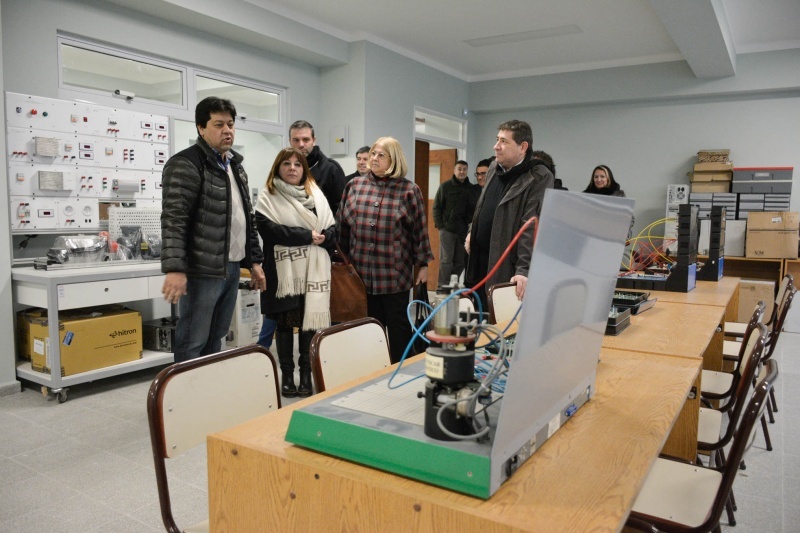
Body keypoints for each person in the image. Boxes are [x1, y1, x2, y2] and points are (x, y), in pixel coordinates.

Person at [161, 96, 266, 362]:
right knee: (193, 338)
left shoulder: (235, 166)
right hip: (202, 269)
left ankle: (206, 393)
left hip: (230, 267)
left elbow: (247, 217)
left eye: (230, 124)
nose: (227, 130)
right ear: (200, 128)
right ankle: (183, 397)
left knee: (216, 336)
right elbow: (174, 219)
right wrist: (175, 268)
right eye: (218, 124)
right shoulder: (186, 163)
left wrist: (254, 261)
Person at [338, 137, 434, 363]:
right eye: (373, 154)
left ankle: (398, 371)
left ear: (394, 159)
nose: (374, 159)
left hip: (394, 275)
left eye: (381, 155)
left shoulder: (409, 190)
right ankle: (370, 370)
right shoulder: (354, 186)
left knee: (398, 330)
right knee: (367, 328)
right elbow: (342, 226)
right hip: (359, 275)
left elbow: (419, 231)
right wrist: (340, 263)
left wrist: (423, 266)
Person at [255, 148, 336, 398]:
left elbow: (332, 227)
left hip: (313, 272)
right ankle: (287, 376)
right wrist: (306, 236)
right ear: (277, 168)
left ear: (304, 169)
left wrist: (325, 238)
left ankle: (306, 376)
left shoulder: (316, 195)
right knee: (285, 325)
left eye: (297, 165)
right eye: (287, 164)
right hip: (284, 275)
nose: (292, 168)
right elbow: (269, 230)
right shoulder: (268, 196)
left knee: (308, 326)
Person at [464, 120, 554, 310]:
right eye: (497, 140)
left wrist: (523, 270)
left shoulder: (538, 176)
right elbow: (482, 206)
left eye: (504, 141)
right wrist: (473, 231)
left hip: (505, 268)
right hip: (478, 262)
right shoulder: (492, 169)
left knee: (500, 330)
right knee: (477, 325)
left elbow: (531, 225)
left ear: (523, 147)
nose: (496, 146)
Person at [289, 120, 347, 214]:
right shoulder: (284, 169)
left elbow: (341, 210)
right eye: (296, 140)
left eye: (306, 140)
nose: (301, 145)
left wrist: (328, 229)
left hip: (323, 227)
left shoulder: (331, 169)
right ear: (290, 142)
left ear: (314, 141)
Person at [432, 159, 474, 287]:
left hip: (464, 231)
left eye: (464, 169)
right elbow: (436, 207)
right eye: (459, 169)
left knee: (460, 262)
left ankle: (451, 285)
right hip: (447, 231)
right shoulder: (445, 186)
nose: (462, 172)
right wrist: (440, 226)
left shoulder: (471, 188)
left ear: (467, 171)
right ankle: (442, 287)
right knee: (446, 261)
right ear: (454, 170)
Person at [584, 164, 634, 240]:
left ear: (608, 178)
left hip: (611, 239)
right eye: (596, 177)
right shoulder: (585, 196)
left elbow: (629, 219)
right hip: (588, 238)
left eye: (602, 176)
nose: (598, 179)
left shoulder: (618, 196)